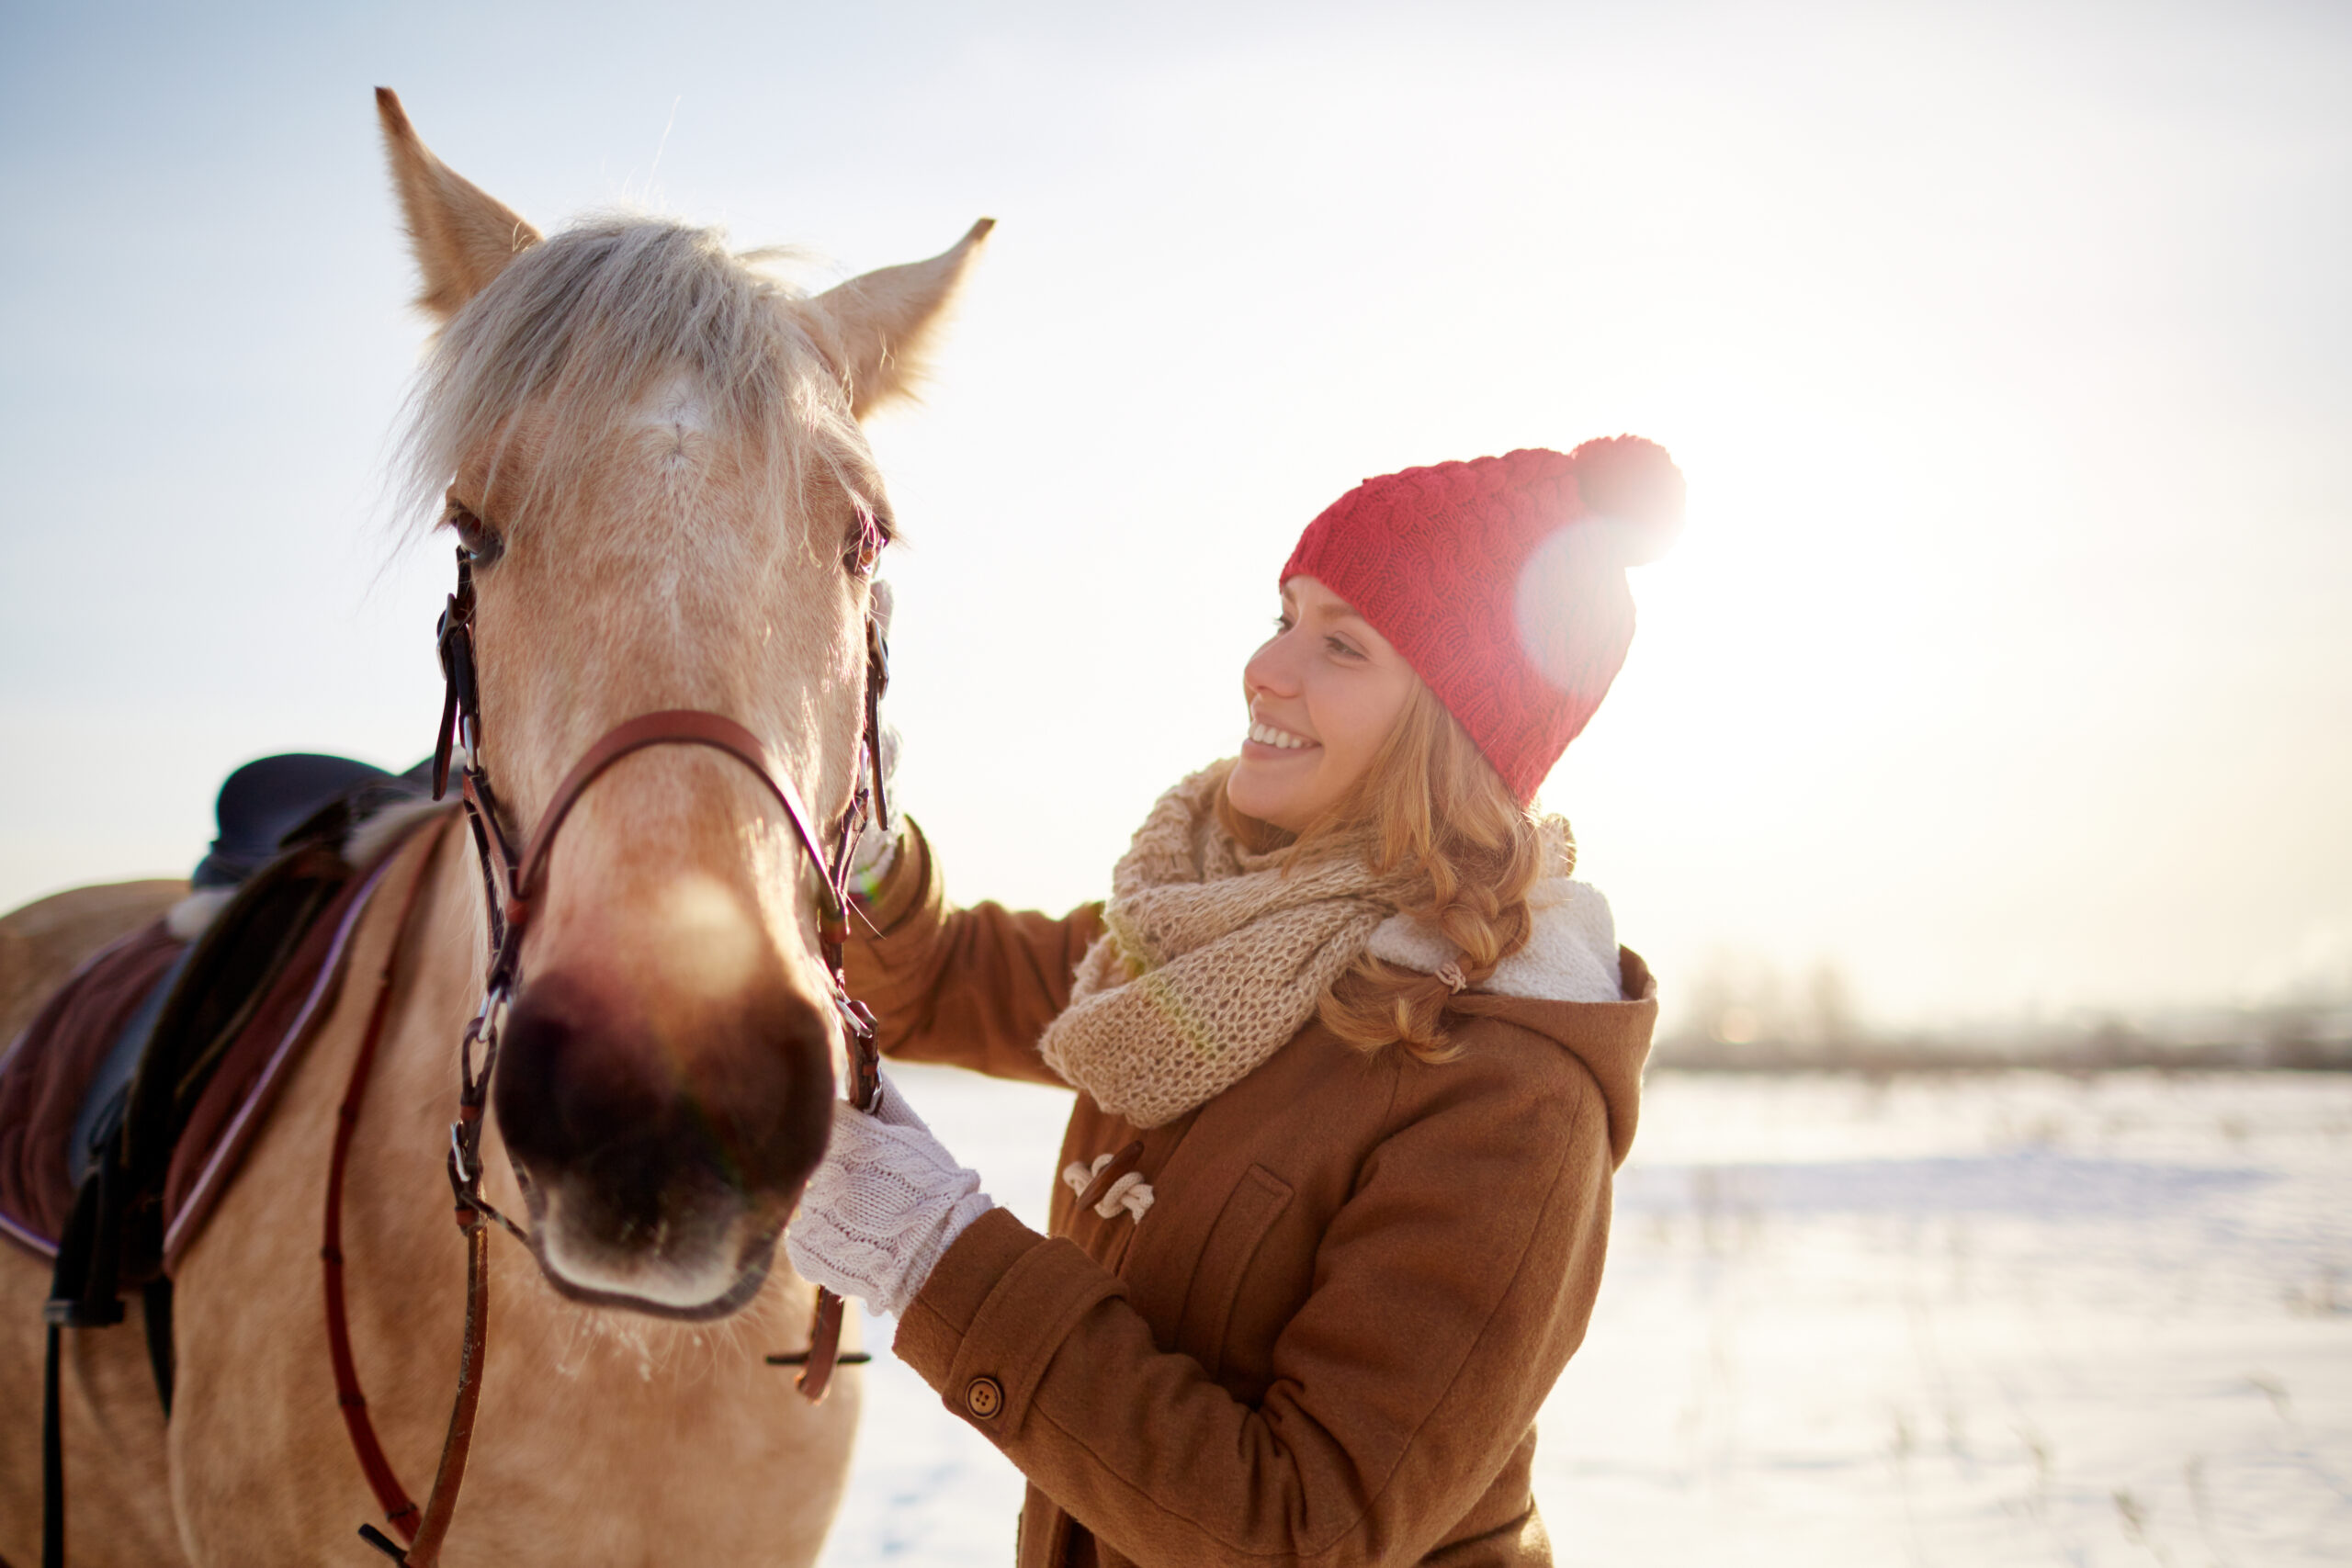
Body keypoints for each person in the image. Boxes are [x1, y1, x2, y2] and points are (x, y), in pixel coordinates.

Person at [786, 437, 1683, 1568]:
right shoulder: (1208, 935)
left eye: (1344, 645)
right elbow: (942, 983)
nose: (1267, 669)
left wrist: (936, 1258)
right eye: (1285, 615)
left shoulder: (1512, 1095)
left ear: (1452, 730)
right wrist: (858, 843)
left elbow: (1303, 1532)